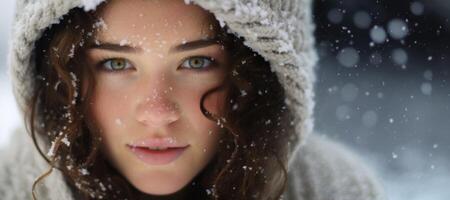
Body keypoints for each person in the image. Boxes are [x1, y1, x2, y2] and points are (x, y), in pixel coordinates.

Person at [0, 0, 385, 199]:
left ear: (260, 76)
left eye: (197, 62)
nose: (157, 113)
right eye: (116, 63)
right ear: (57, 77)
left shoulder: (335, 191)